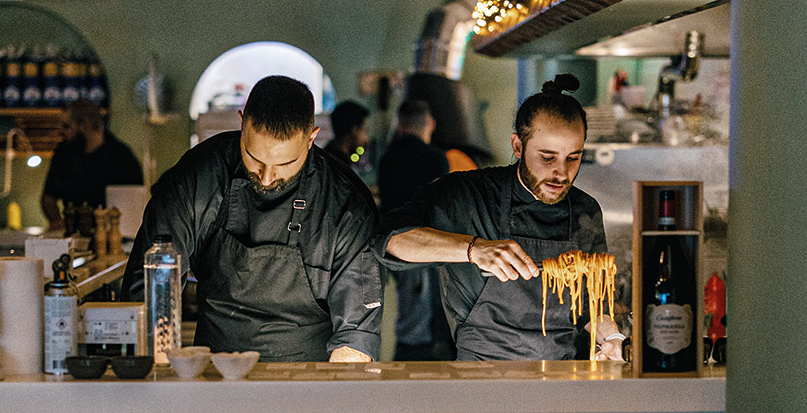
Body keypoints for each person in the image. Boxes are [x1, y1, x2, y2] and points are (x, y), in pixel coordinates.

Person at [123, 75, 382, 362]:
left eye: (285, 164)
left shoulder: (344, 203)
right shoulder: (197, 178)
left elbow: (356, 336)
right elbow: (147, 294)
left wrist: (330, 394)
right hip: (213, 375)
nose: (268, 177)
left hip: (310, 381)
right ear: (242, 122)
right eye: (254, 159)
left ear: (311, 138)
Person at [377, 74, 624, 361]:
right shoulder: (467, 195)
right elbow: (389, 239)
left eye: (573, 157)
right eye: (547, 157)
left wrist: (610, 337)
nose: (562, 173)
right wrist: (473, 249)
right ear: (518, 146)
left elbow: (594, 307)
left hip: (560, 376)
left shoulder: (585, 210)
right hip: (481, 378)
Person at [377, 97, 453, 360]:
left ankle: (407, 368)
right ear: (429, 124)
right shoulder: (435, 159)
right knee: (421, 323)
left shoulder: (387, 158)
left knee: (410, 318)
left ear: (400, 125)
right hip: (426, 246)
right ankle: (417, 371)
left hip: (391, 245)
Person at [41, 100, 142, 229]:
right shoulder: (64, 153)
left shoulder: (122, 158)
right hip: (74, 233)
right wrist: (57, 222)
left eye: (67, 126)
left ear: (85, 126)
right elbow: (48, 197)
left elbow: (133, 204)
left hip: (111, 235)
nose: (62, 132)